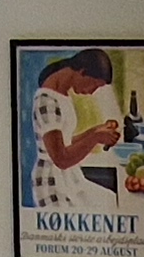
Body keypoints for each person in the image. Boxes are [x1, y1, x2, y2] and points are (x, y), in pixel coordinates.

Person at [29, 48, 126, 205]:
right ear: (82, 72)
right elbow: (60, 159)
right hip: (51, 183)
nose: (92, 91)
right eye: (94, 85)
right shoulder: (47, 101)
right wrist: (95, 138)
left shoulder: (61, 95)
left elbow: (64, 142)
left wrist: (96, 130)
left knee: (108, 198)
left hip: (67, 178)